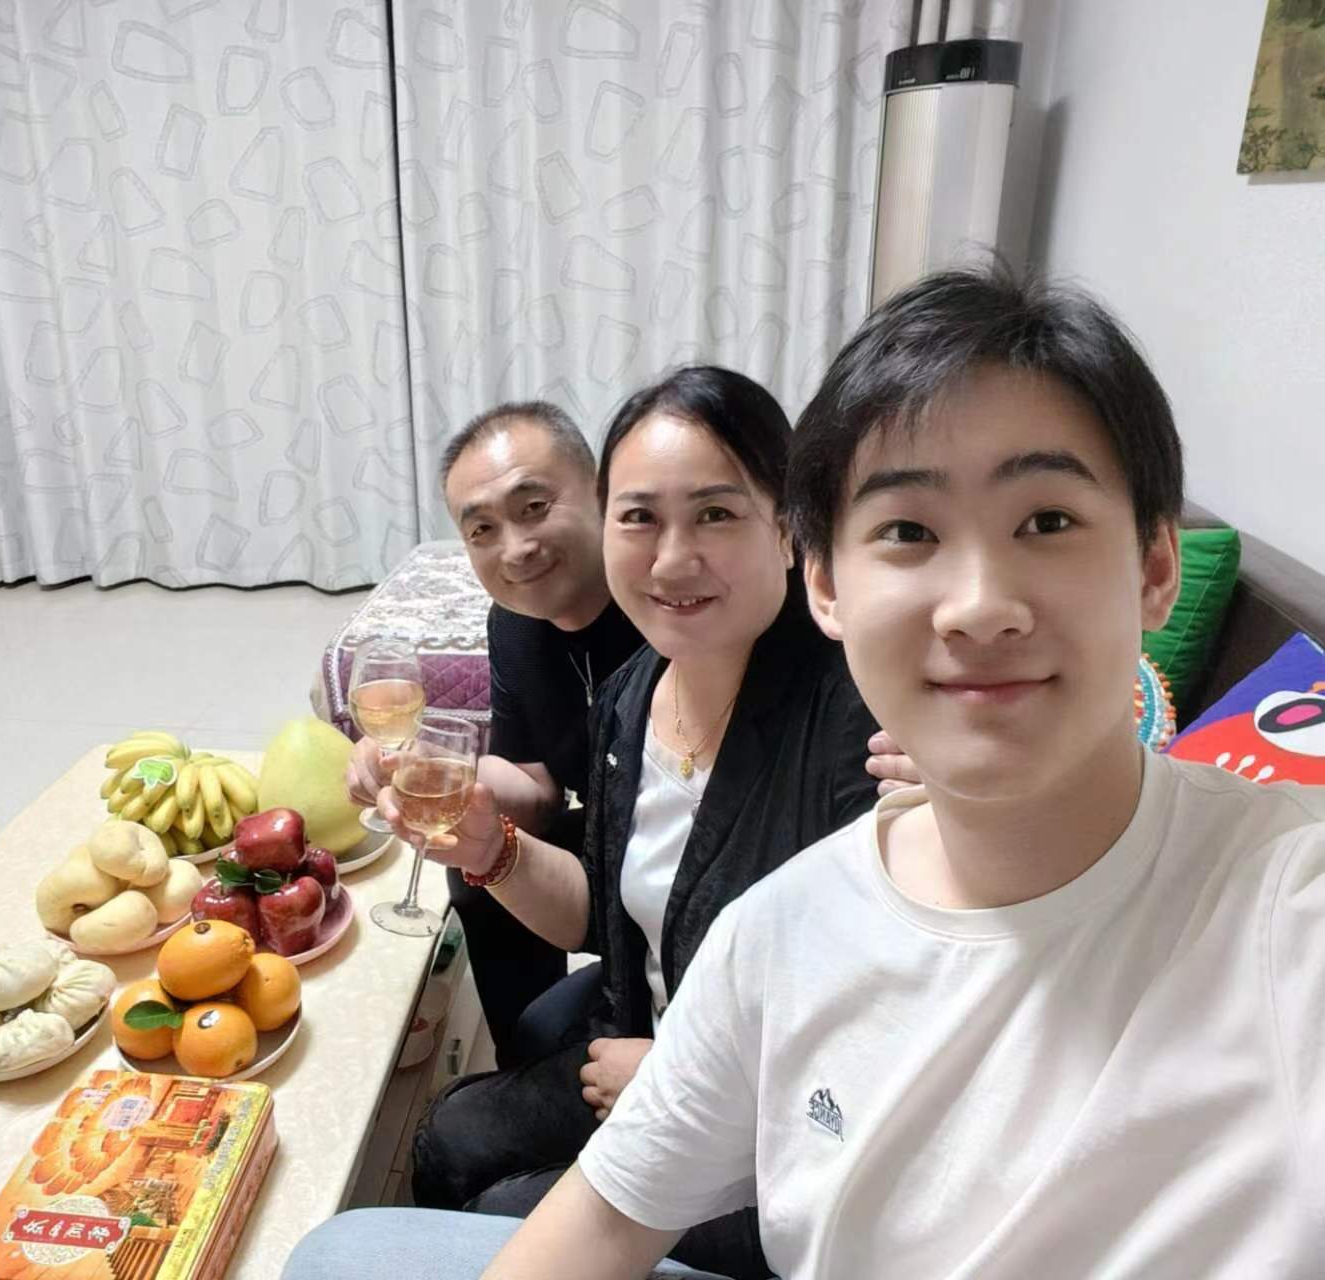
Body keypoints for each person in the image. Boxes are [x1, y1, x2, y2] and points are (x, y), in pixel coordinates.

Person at [286, 267, 1325, 1280]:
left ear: (1153, 566)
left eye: (1045, 521)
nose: (977, 605)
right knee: (418, 1172)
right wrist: (492, 845)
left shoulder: (1275, 903)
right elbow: (609, 913)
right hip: (661, 1032)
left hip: (707, 1102)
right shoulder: (671, 764)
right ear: (832, 580)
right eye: (909, 530)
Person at [389, 367, 885, 1280]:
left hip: (775, 1135)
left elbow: (887, 1033)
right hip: (638, 1038)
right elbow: (605, 916)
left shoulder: (857, 728)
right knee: (450, 1133)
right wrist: (492, 851)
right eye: (640, 518)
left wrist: (680, 1078)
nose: (670, 560)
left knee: (499, 1210)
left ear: (787, 526)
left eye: (715, 514)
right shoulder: (631, 697)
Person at [348, 400, 648, 1067]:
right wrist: (430, 764)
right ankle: (522, 1062)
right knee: (474, 865)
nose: (515, 549)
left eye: (534, 507)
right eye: (481, 528)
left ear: (600, 493)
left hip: (686, 846)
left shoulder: (662, 604)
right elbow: (536, 791)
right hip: (609, 834)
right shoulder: (513, 624)